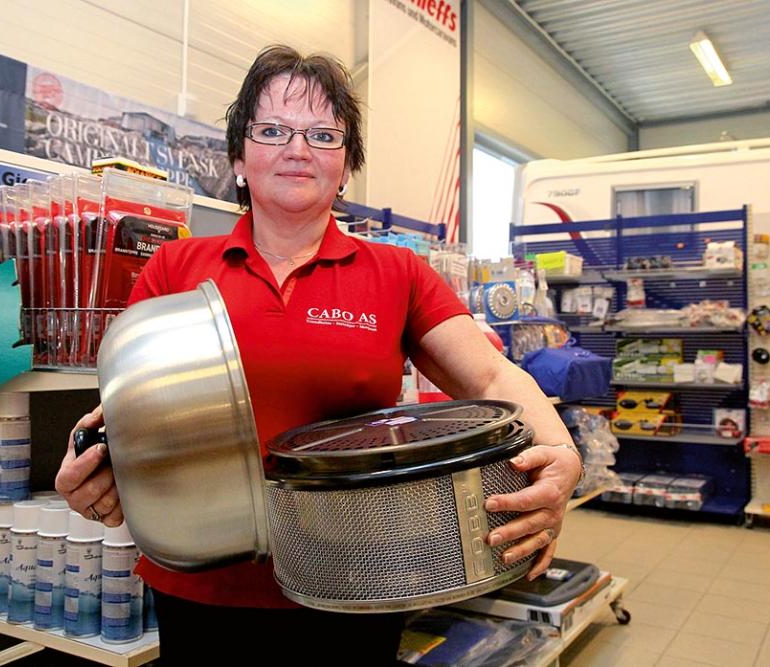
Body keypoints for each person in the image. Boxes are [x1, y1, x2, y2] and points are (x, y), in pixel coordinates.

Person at [56, 44, 581, 664]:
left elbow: (490, 373)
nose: (297, 149)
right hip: (204, 582)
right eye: (272, 130)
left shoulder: (397, 272)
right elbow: (127, 410)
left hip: (358, 576)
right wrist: (91, 465)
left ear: (346, 167)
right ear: (239, 158)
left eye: (323, 135)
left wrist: (563, 454)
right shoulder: (176, 267)